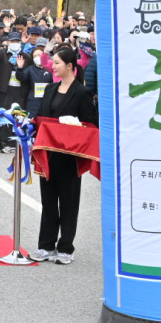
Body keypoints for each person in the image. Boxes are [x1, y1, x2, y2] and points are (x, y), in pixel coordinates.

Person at [30, 46, 98, 264]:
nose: (53, 66)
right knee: (48, 202)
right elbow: (42, 117)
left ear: (69, 66)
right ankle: (46, 245)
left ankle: (66, 246)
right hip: (48, 155)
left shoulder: (82, 93)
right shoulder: (50, 89)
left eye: (57, 63)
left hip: (69, 157)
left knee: (68, 202)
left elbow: (91, 126)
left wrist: (74, 126)